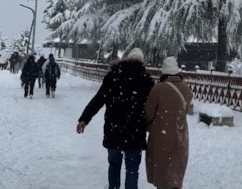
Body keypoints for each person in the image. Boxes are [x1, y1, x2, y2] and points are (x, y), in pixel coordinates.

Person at [76, 48, 154, 189]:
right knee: (132, 169)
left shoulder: (112, 76)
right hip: (135, 131)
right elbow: (152, 107)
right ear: (142, 62)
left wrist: (84, 119)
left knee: (114, 165)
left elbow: (98, 99)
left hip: (114, 130)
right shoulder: (146, 80)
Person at [145, 57, 193, 189]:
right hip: (180, 134)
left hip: (161, 136)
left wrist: (150, 125)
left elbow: (148, 114)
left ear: (164, 72)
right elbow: (186, 108)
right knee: (175, 169)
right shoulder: (185, 88)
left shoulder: (158, 89)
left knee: (162, 170)